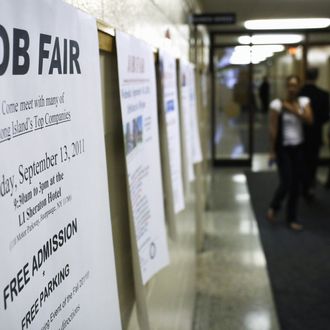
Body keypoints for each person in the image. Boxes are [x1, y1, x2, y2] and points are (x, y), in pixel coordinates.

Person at [267, 75, 313, 231]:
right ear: (286, 87)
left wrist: (293, 110)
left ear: (299, 87)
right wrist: (272, 150)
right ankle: (274, 207)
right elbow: (273, 128)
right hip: (283, 149)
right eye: (290, 86)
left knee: (296, 184)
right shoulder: (277, 105)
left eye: (295, 86)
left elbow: (309, 119)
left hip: (298, 148)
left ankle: (291, 217)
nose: (292, 89)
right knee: (286, 181)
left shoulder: (303, 103)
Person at [299, 68, 330, 198]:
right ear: (317, 77)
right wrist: (316, 123)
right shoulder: (323, 95)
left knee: (301, 160)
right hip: (315, 133)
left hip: (300, 133)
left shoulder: (299, 94)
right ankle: (310, 185)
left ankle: (303, 185)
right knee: (312, 161)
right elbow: (327, 115)